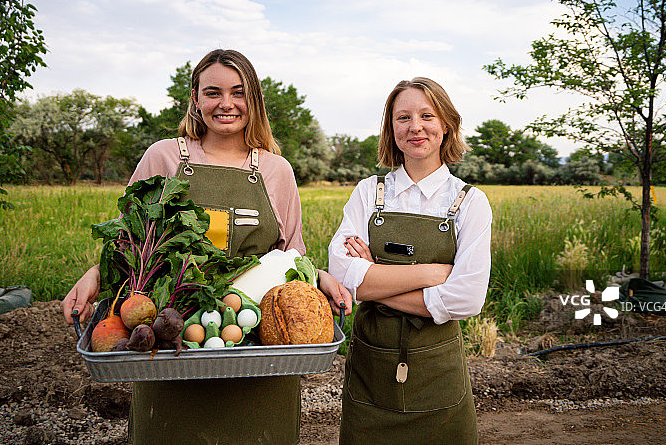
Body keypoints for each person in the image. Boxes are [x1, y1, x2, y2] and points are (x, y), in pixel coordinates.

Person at [61, 49, 352, 445]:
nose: (226, 104)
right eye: (212, 92)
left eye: (238, 92)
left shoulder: (275, 170)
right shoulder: (164, 157)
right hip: (169, 341)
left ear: (254, 100)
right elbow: (127, 239)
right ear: (195, 99)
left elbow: (292, 253)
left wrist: (321, 278)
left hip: (257, 348)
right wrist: (96, 274)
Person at [327, 77, 492, 444]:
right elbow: (342, 271)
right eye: (403, 117)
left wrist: (372, 284)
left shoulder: (471, 202)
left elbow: (466, 299)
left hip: (438, 377)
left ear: (446, 124)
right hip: (371, 375)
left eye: (426, 115)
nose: (415, 127)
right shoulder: (369, 192)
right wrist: (431, 274)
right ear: (391, 128)